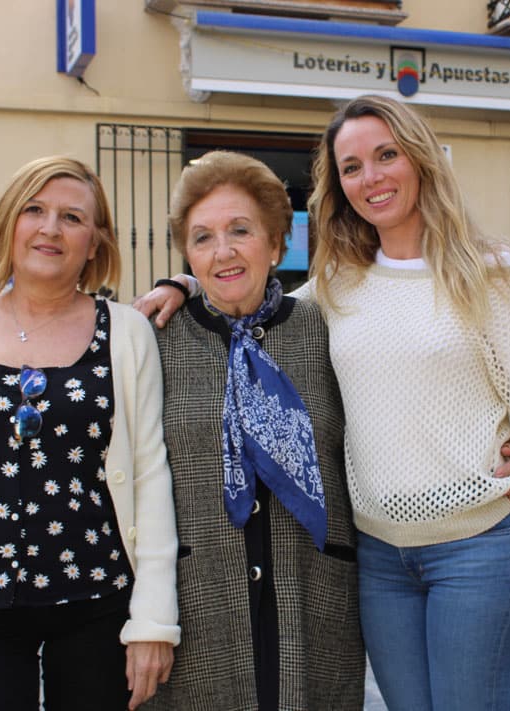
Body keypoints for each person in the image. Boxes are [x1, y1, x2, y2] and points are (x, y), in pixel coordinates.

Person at [138, 95, 510, 711]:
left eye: (385, 156)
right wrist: (185, 281)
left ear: (420, 158)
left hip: (476, 548)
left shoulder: (489, 270)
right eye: (351, 167)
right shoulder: (341, 281)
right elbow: (254, 291)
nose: (370, 178)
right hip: (378, 559)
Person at [0, 156, 179, 711]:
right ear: (8, 224)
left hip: (97, 600)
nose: (50, 228)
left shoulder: (126, 332)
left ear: (95, 242)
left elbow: (149, 475)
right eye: (35, 210)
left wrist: (153, 620)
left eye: (72, 217)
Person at [142, 150, 364, 710]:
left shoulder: (327, 328)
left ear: (276, 240)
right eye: (203, 238)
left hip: (311, 596)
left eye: (240, 230)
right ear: (188, 256)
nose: (224, 252)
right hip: (201, 605)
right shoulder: (152, 341)